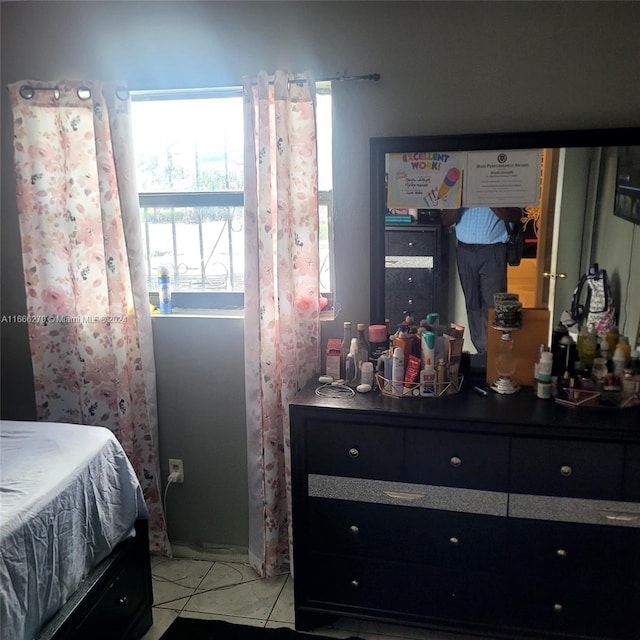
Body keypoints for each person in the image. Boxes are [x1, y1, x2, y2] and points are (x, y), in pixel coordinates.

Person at [442, 206, 522, 354]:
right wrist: (457, 202)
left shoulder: (502, 184)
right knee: (472, 306)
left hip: (493, 251)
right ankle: (482, 355)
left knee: (493, 308)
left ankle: (495, 357)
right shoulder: (460, 184)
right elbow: (446, 220)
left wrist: (489, 199)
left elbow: (516, 215)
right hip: (464, 250)